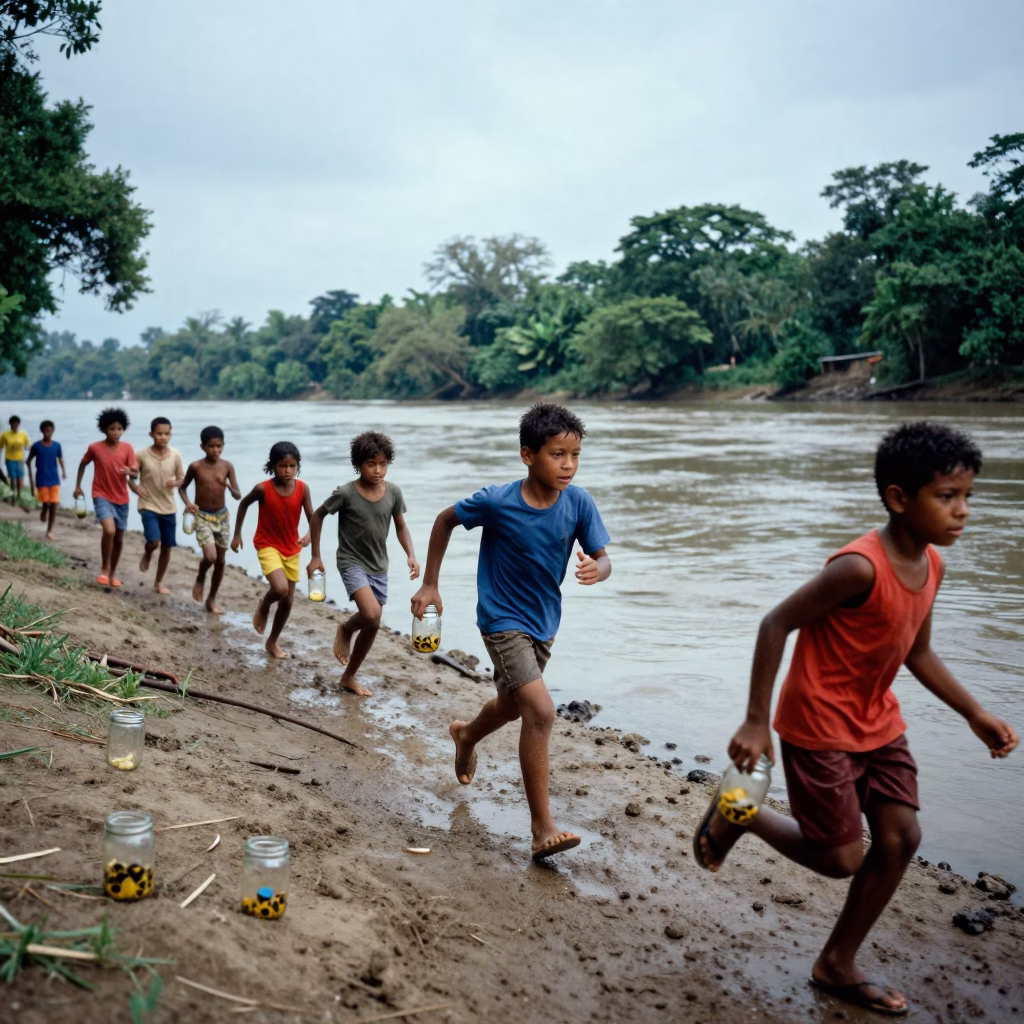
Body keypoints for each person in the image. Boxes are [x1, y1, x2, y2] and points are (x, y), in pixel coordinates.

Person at [694, 422, 1019, 1017]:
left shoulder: (932, 566)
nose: (963, 511)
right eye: (947, 497)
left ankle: (836, 963)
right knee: (840, 858)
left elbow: (917, 652)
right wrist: (754, 722)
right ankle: (737, 808)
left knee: (902, 838)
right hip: (817, 724)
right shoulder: (858, 568)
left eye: (968, 496)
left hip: (878, 722)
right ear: (900, 499)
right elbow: (775, 624)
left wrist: (974, 711)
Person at [411, 403, 612, 862]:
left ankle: (465, 736)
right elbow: (445, 520)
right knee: (540, 711)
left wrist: (596, 570)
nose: (568, 465)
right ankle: (543, 828)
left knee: (511, 706)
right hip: (501, 620)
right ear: (528, 455)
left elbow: (603, 557)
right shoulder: (498, 501)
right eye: (557, 454)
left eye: (575, 455)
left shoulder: (578, 502)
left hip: (544, 623)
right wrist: (431, 583)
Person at [307, 431, 420, 697]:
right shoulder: (346, 493)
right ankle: (345, 628)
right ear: (359, 465)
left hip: (379, 565)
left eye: (383, 463)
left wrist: (411, 555)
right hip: (351, 561)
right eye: (371, 464)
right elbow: (318, 515)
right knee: (370, 614)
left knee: (373, 624)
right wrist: (315, 556)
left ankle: (349, 677)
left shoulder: (393, 492)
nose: (378, 470)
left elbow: (401, 527)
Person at [232, 441, 314, 659]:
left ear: (298, 466)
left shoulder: (303, 489)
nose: (287, 471)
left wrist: (308, 536)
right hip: (266, 543)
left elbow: (313, 518)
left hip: (291, 547)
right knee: (279, 589)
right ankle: (265, 606)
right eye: (282, 466)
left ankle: (272, 642)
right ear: (272, 466)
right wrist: (237, 534)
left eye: (292, 466)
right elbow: (243, 505)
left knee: (288, 601)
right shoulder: (263, 489)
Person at [73, 408, 138, 587]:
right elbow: (83, 464)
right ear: (103, 429)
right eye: (112, 429)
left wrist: (130, 471)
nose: (116, 433)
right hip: (101, 494)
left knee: (118, 538)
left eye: (119, 429)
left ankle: (112, 574)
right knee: (109, 530)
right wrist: (78, 486)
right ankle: (104, 568)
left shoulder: (128, 448)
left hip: (122, 498)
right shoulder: (95, 448)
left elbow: (135, 473)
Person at [178, 426, 240, 615]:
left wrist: (227, 485)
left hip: (222, 517)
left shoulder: (227, 466)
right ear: (202, 446)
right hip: (202, 516)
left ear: (223, 445)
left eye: (219, 446)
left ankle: (211, 599)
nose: (215, 450)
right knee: (211, 557)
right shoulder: (196, 467)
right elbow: (182, 488)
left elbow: (238, 496)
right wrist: (188, 503)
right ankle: (201, 574)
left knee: (220, 561)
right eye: (211, 446)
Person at [135, 417, 185, 595]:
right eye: (159, 433)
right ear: (151, 434)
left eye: (166, 433)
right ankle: (148, 552)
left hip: (169, 507)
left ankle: (158, 582)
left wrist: (176, 482)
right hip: (147, 504)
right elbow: (131, 476)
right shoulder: (141, 455)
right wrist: (135, 488)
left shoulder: (175, 455)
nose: (163, 437)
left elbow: (182, 479)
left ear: (171, 434)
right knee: (154, 540)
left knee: (167, 546)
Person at [26, 420, 66, 540]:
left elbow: (60, 459)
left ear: (53, 431)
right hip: (42, 478)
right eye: (45, 430)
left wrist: (63, 471)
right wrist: (31, 478)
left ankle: (49, 531)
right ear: (41, 431)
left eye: (50, 430)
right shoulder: (36, 446)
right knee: (46, 503)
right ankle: (44, 510)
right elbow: (28, 461)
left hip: (54, 478)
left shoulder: (57, 445)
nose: (48, 432)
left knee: (54, 503)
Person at [1, 415, 30, 507]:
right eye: (13, 424)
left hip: (20, 459)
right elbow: (0, 447)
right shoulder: (5, 434)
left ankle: (19, 496)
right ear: (10, 424)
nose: (15, 425)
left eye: (17, 424)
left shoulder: (23, 434)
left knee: (20, 478)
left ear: (19, 424)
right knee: (12, 478)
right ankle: (13, 495)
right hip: (9, 459)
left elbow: (27, 445)